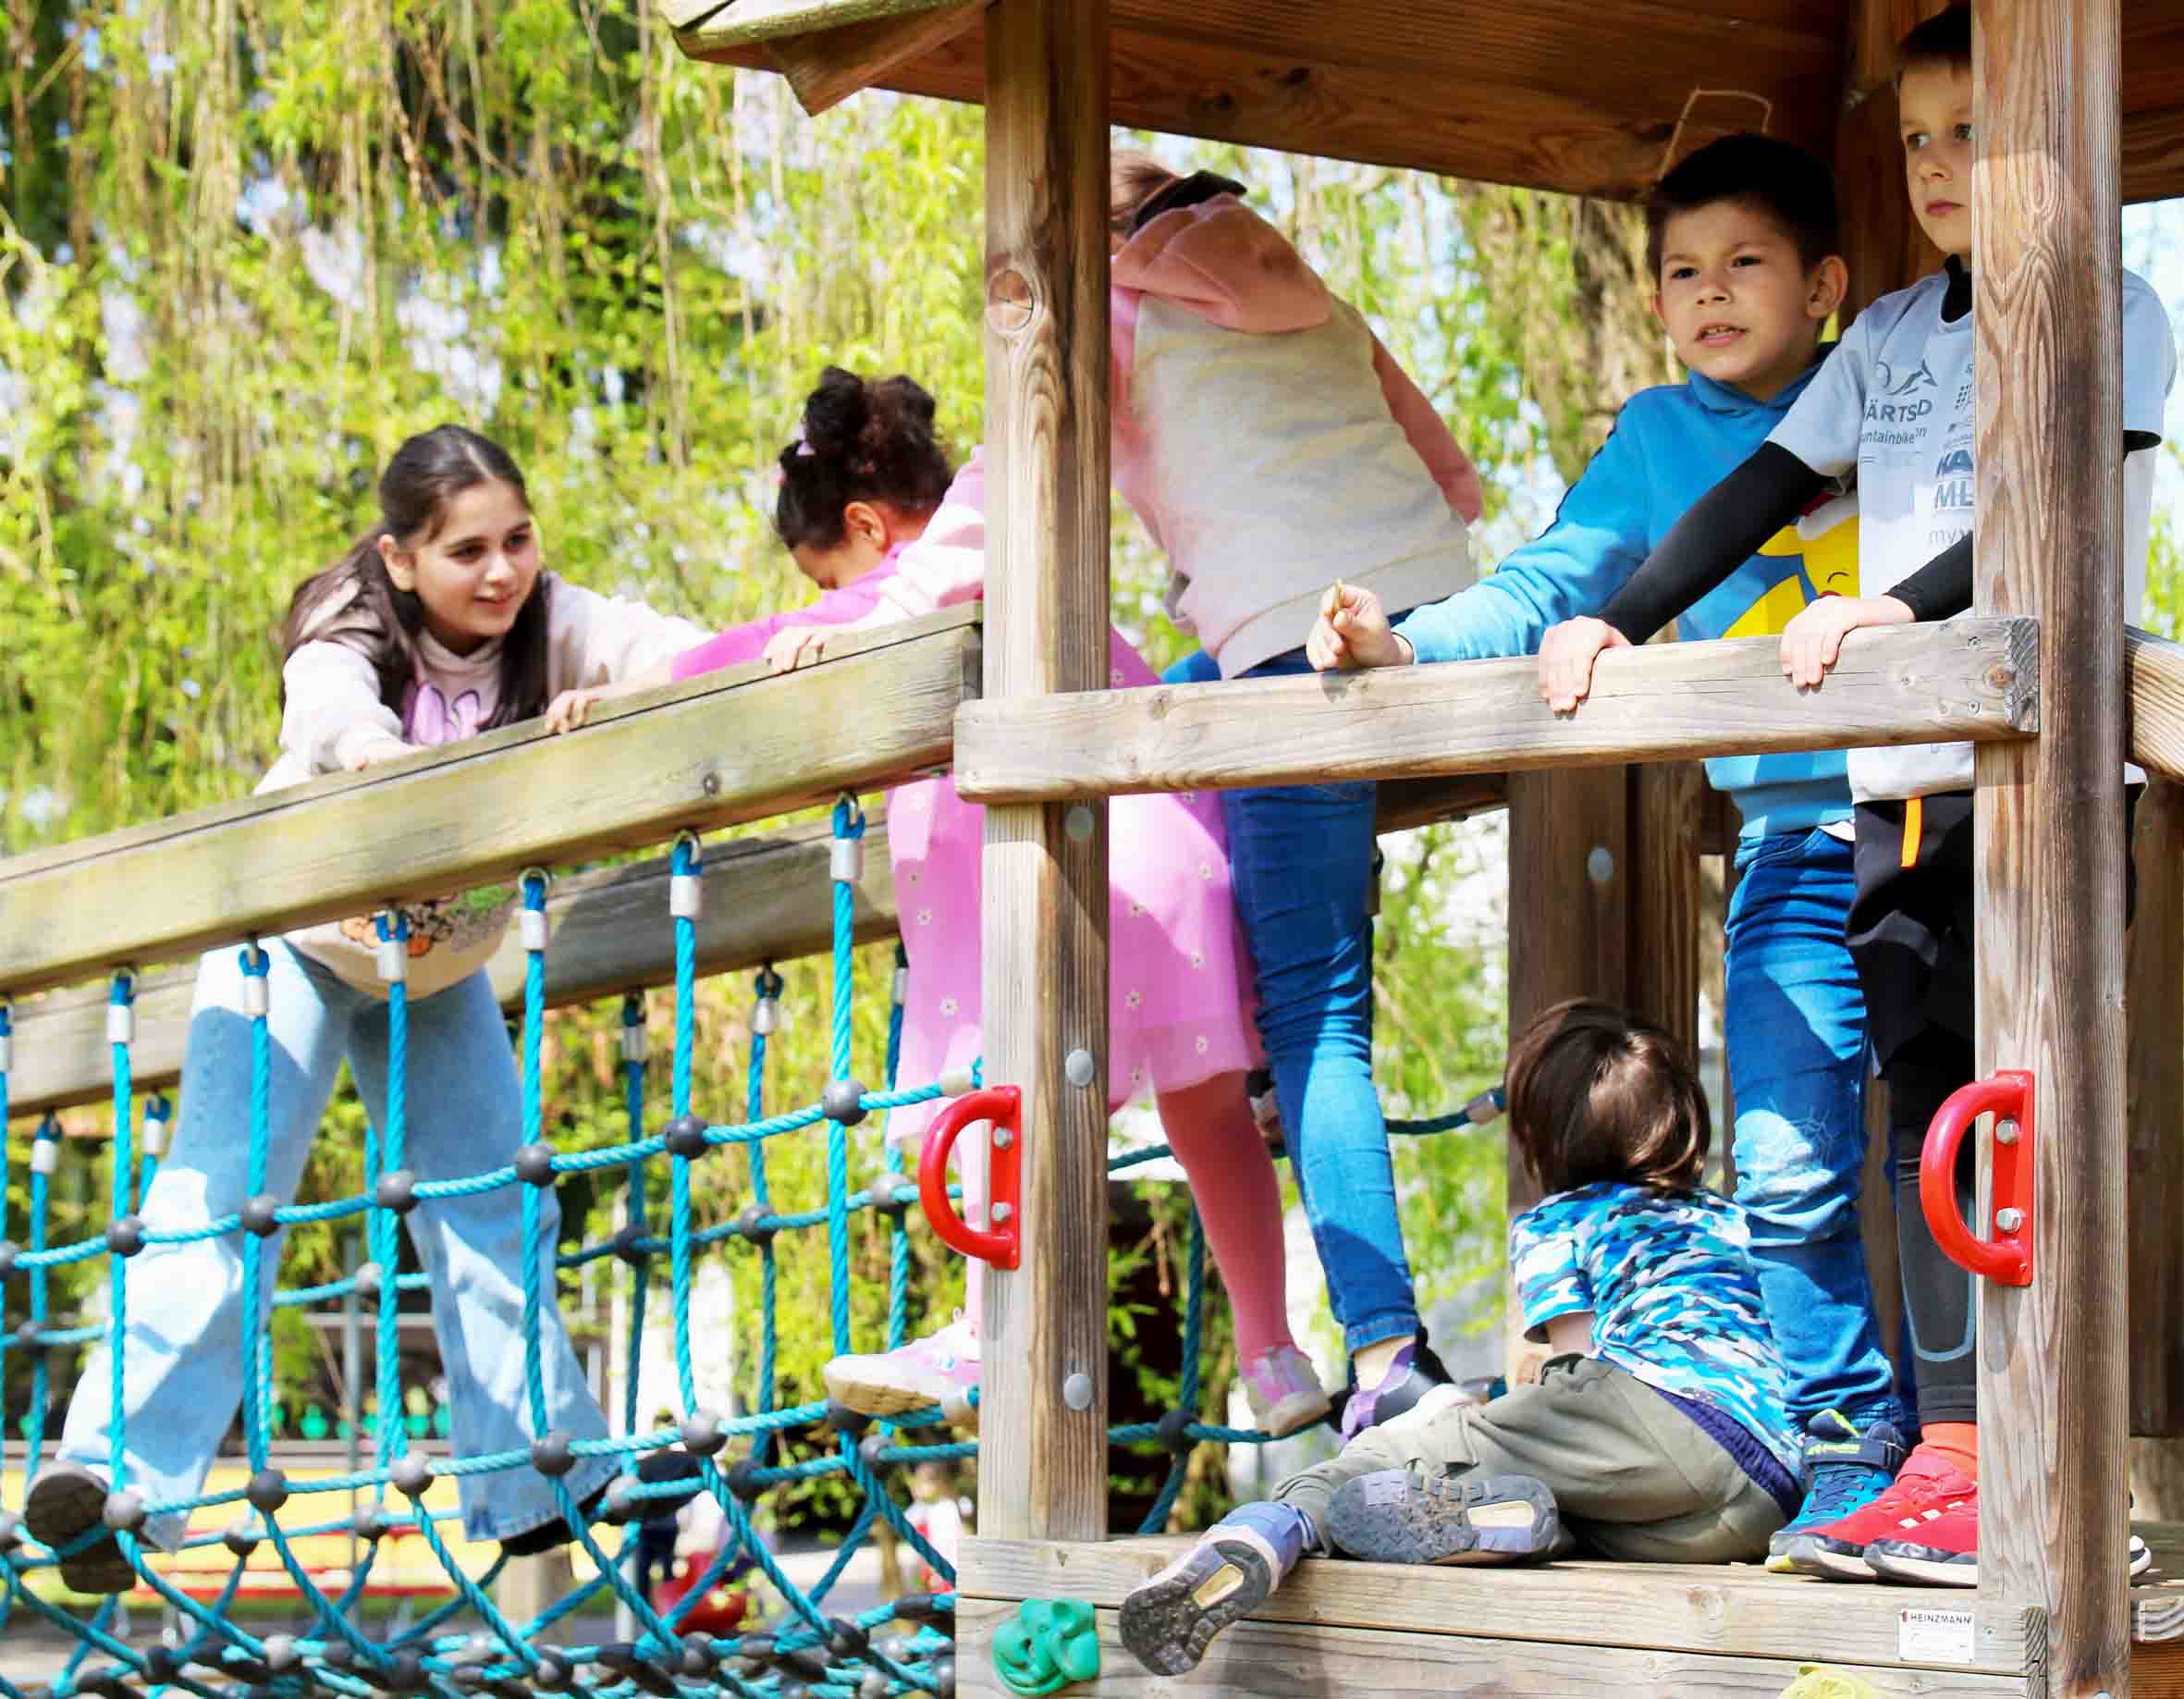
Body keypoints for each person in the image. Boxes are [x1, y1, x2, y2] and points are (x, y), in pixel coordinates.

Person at [1526, 2, 2175, 1586]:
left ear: (2051, 138)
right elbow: (1759, 489)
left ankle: (2051, 1455)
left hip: (2034, 777)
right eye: (1919, 139)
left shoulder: (2112, 300)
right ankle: (1943, 1454)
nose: (1940, 165)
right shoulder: (1883, 335)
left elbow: (2064, 511)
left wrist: (1898, 606)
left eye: (1975, 133)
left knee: (2028, 1107)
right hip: (1899, 784)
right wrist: (1622, 615)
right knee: (1921, 1119)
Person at [1307, 131, 1909, 1558]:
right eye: (1681, 273)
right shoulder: (1655, 441)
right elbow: (1549, 578)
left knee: (1965, 1139)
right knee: (1786, 1160)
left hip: (1941, 813)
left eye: (1743, 262)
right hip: (1795, 839)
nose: (1709, 293)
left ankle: (1985, 1438)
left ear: (1823, 284)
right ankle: (1846, 1441)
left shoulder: (1890, 390)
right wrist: (1405, 640)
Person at [562, 368, 1330, 1438]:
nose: (826, 605)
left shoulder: (910, 588)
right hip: (1163, 849)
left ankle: (984, 1333)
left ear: (867, 527)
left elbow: (740, 653)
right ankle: (1273, 1350)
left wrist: (641, 695)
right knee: (1204, 1111)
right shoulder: (1027, 559)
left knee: (995, 1099)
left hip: (1041, 876)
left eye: (827, 579)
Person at [23, 425, 706, 1594]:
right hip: (297, 935)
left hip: (433, 963)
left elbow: (680, 654)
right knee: (225, 1196)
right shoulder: (352, 626)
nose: (501, 571)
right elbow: (331, 714)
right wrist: (394, 766)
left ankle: (533, 1476)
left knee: (498, 1202)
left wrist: (649, 691)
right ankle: (109, 1483)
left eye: (517, 540)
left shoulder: (552, 619)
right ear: (401, 558)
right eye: (466, 552)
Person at [1110, 152, 1484, 1432]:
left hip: (1290, 645)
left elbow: (1023, 489)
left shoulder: (1107, 310)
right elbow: (1456, 479)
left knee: (1324, 1015)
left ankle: (1384, 1355)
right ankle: (1269, 1043)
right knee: (1190, 714)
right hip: (1434, 619)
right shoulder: (1321, 301)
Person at [1118, 1000, 1798, 1677]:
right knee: (1585, 1508)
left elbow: (1580, 1364)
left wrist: (1479, 1408)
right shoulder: (1729, 1218)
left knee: (1423, 1442)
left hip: (1661, 1417)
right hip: (1763, 1492)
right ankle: (1510, 1524)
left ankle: (1275, 1524)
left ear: (1543, 1137)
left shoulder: (1561, 1220)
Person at [634, 1410, 705, 1602]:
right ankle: (645, 1608)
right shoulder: (646, 1464)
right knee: (643, 1572)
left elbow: (699, 1476)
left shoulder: (682, 1460)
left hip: (666, 1526)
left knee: (666, 1571)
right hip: (648, 1527)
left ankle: (667, 1605)